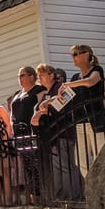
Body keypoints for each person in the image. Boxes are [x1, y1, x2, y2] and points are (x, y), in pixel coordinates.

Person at [31, 63, 81, 201]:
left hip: (64, 132)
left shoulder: (60, 87)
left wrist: (45, 108)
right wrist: (38, 113)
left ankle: (73, 197)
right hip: (52, 135)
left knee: (67, 167)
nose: (39, 78)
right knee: (57, 167)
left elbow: (65, 101)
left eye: (42, 75)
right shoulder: (46, 93)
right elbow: (40, 109)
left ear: (51, 75)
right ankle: (60, 197)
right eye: (38, 75)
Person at [59, 45, 105, 132]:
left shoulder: (97, 70)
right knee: (82, 146)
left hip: (97, 119)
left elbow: (90, 81)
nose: (73, 57)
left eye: (75, 54)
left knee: (101, 145)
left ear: (86, 55)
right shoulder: (75, 78)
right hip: (80, 121)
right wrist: (48, 102)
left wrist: (67, 85)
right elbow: (65, 98)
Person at [9, 66, 46, 136]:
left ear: (31, 77)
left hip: (33, 132)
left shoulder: (39, 90)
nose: (19, 78)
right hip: (18, 134)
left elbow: (42, 108)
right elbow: (12, 115)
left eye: (22, 75)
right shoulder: (17, 94)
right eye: (18, 76)